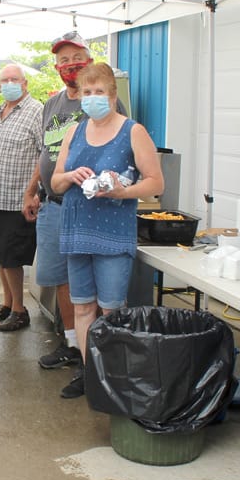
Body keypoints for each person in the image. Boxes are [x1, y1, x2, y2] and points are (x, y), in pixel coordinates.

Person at [49, 61, 163, 400]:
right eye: (87, 92)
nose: (92, 98)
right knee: (82, 307)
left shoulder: (133, 131)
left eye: (99, 92)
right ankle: (90, 373)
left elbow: (156, 182)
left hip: (113, 234)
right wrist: (70, 176)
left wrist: (121, 191)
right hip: (77, 231)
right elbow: (55, 182)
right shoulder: (74, 130)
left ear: (113, 96)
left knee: (112, 308)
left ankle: (115, 374)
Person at [22, 31, 127, 398]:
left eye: (75, 58)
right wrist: (34, 189)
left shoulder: (103, 102)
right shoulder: (52, 105)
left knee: (97, 288)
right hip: (54, 207)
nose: (69, 65)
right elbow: (45, 152)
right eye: (63, 60)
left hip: (91, 209)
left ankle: (101, 360)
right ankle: (73, 346)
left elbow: (120, 151)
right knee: (64, 281)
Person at [0, 63, 43, 332]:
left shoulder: (36, 111)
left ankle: (20, 309)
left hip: (18, 200)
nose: (9, 83)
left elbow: (46, 153)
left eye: (14, 79)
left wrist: (35, 193)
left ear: (25, 83)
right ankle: (7, 303)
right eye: (4, 80)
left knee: (12, 258)